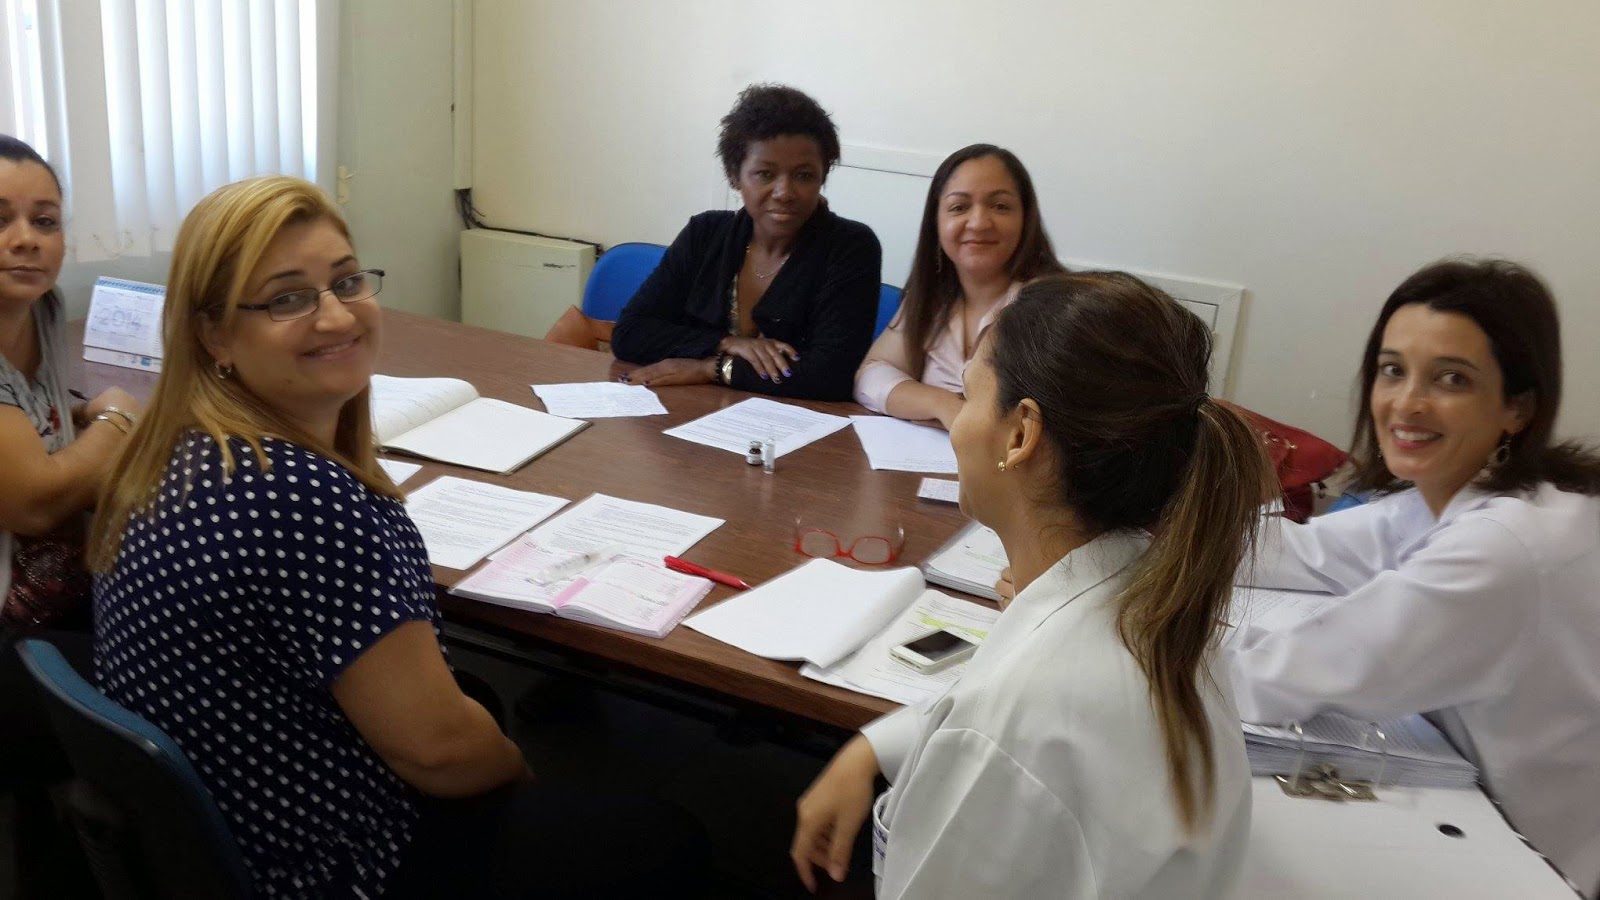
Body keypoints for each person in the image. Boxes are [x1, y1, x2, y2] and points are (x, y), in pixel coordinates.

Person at [88, 175, 708, 898]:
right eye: (287, 298)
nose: (335, 316)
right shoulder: (297, 497)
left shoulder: (173, 449)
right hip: (337, 869)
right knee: (666, 837)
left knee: (475, 697)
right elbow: (441, 754)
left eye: (347, 281)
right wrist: (520, 778)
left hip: (228, 825)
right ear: (214, 334)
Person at [793, 272, 1271, 897]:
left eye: (967, 395)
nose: (956, 424)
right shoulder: (1155, 597)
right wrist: (873, 747)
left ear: (1020, 435)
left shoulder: (1015, 717)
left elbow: (1008, 729)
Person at [1228, 259, 1600, 898]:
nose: (1406, 403)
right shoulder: (1454, 497)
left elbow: (1276, 679)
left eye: (1452, 379)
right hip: (1475, 812)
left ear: (1517, 408)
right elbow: (1297, 551)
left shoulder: (1505, 548)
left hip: (1534, 864)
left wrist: (1125, 631)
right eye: (1393, 370)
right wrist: (1131, 541)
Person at [1, 133, 138, 897]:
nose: (26, 239)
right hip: (9, 631)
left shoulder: (44, 311)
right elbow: (36, 500)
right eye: (0, 220)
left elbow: (40, 426)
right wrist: (115, 421)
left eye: (45, 220)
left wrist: (83, 418)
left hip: (55, 598)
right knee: (174, 684)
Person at [611, 84, 881, 400]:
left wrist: (711, 368)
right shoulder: (705, 233)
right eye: (765, 174)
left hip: (797, 423)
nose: (784, 192)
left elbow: (831, 374)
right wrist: (726, 343)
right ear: (734, 176)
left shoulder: (851, 246)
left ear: (822, 176)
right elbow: (630, 333)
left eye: (804, 175)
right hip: (693, 409)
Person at [853, 144, 1065, 429]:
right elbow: (870, 377)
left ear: (1026, 219)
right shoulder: (932, 296)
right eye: (959, 207)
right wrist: (943, 404)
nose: (978, 223)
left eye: (1000, 206)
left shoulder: (1056, 308)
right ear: (936, 222)